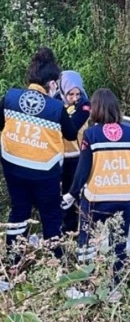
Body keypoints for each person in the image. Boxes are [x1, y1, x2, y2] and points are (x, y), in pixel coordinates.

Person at [0, 47, 79, 261]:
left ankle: (11, 265)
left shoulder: (10, 97)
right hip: (45, 172)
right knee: (51, 218)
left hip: (13, 168)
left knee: (19, 214)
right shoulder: (55, 108)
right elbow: (71, 135)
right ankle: (55, 266)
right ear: (52, 83)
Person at [66, 88, 130, 295]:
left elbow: (83, 170)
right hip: (127, 197)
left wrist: (72, 193)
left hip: (97, 198)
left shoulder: (91, 134)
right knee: (119, 244)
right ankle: (114, 289)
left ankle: (84, 288)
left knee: (86, 241)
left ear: (95, 110)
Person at [56, 70, 91, 233]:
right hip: (59, 157)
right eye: (70, 94)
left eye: (78, 93)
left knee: (76, 194)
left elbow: (71, 128)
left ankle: (81, 229)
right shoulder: (55, 102)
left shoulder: (85, 105)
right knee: (62, 197)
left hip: (78, 157)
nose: (75, 98)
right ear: (62, 90)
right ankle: (66, 230)